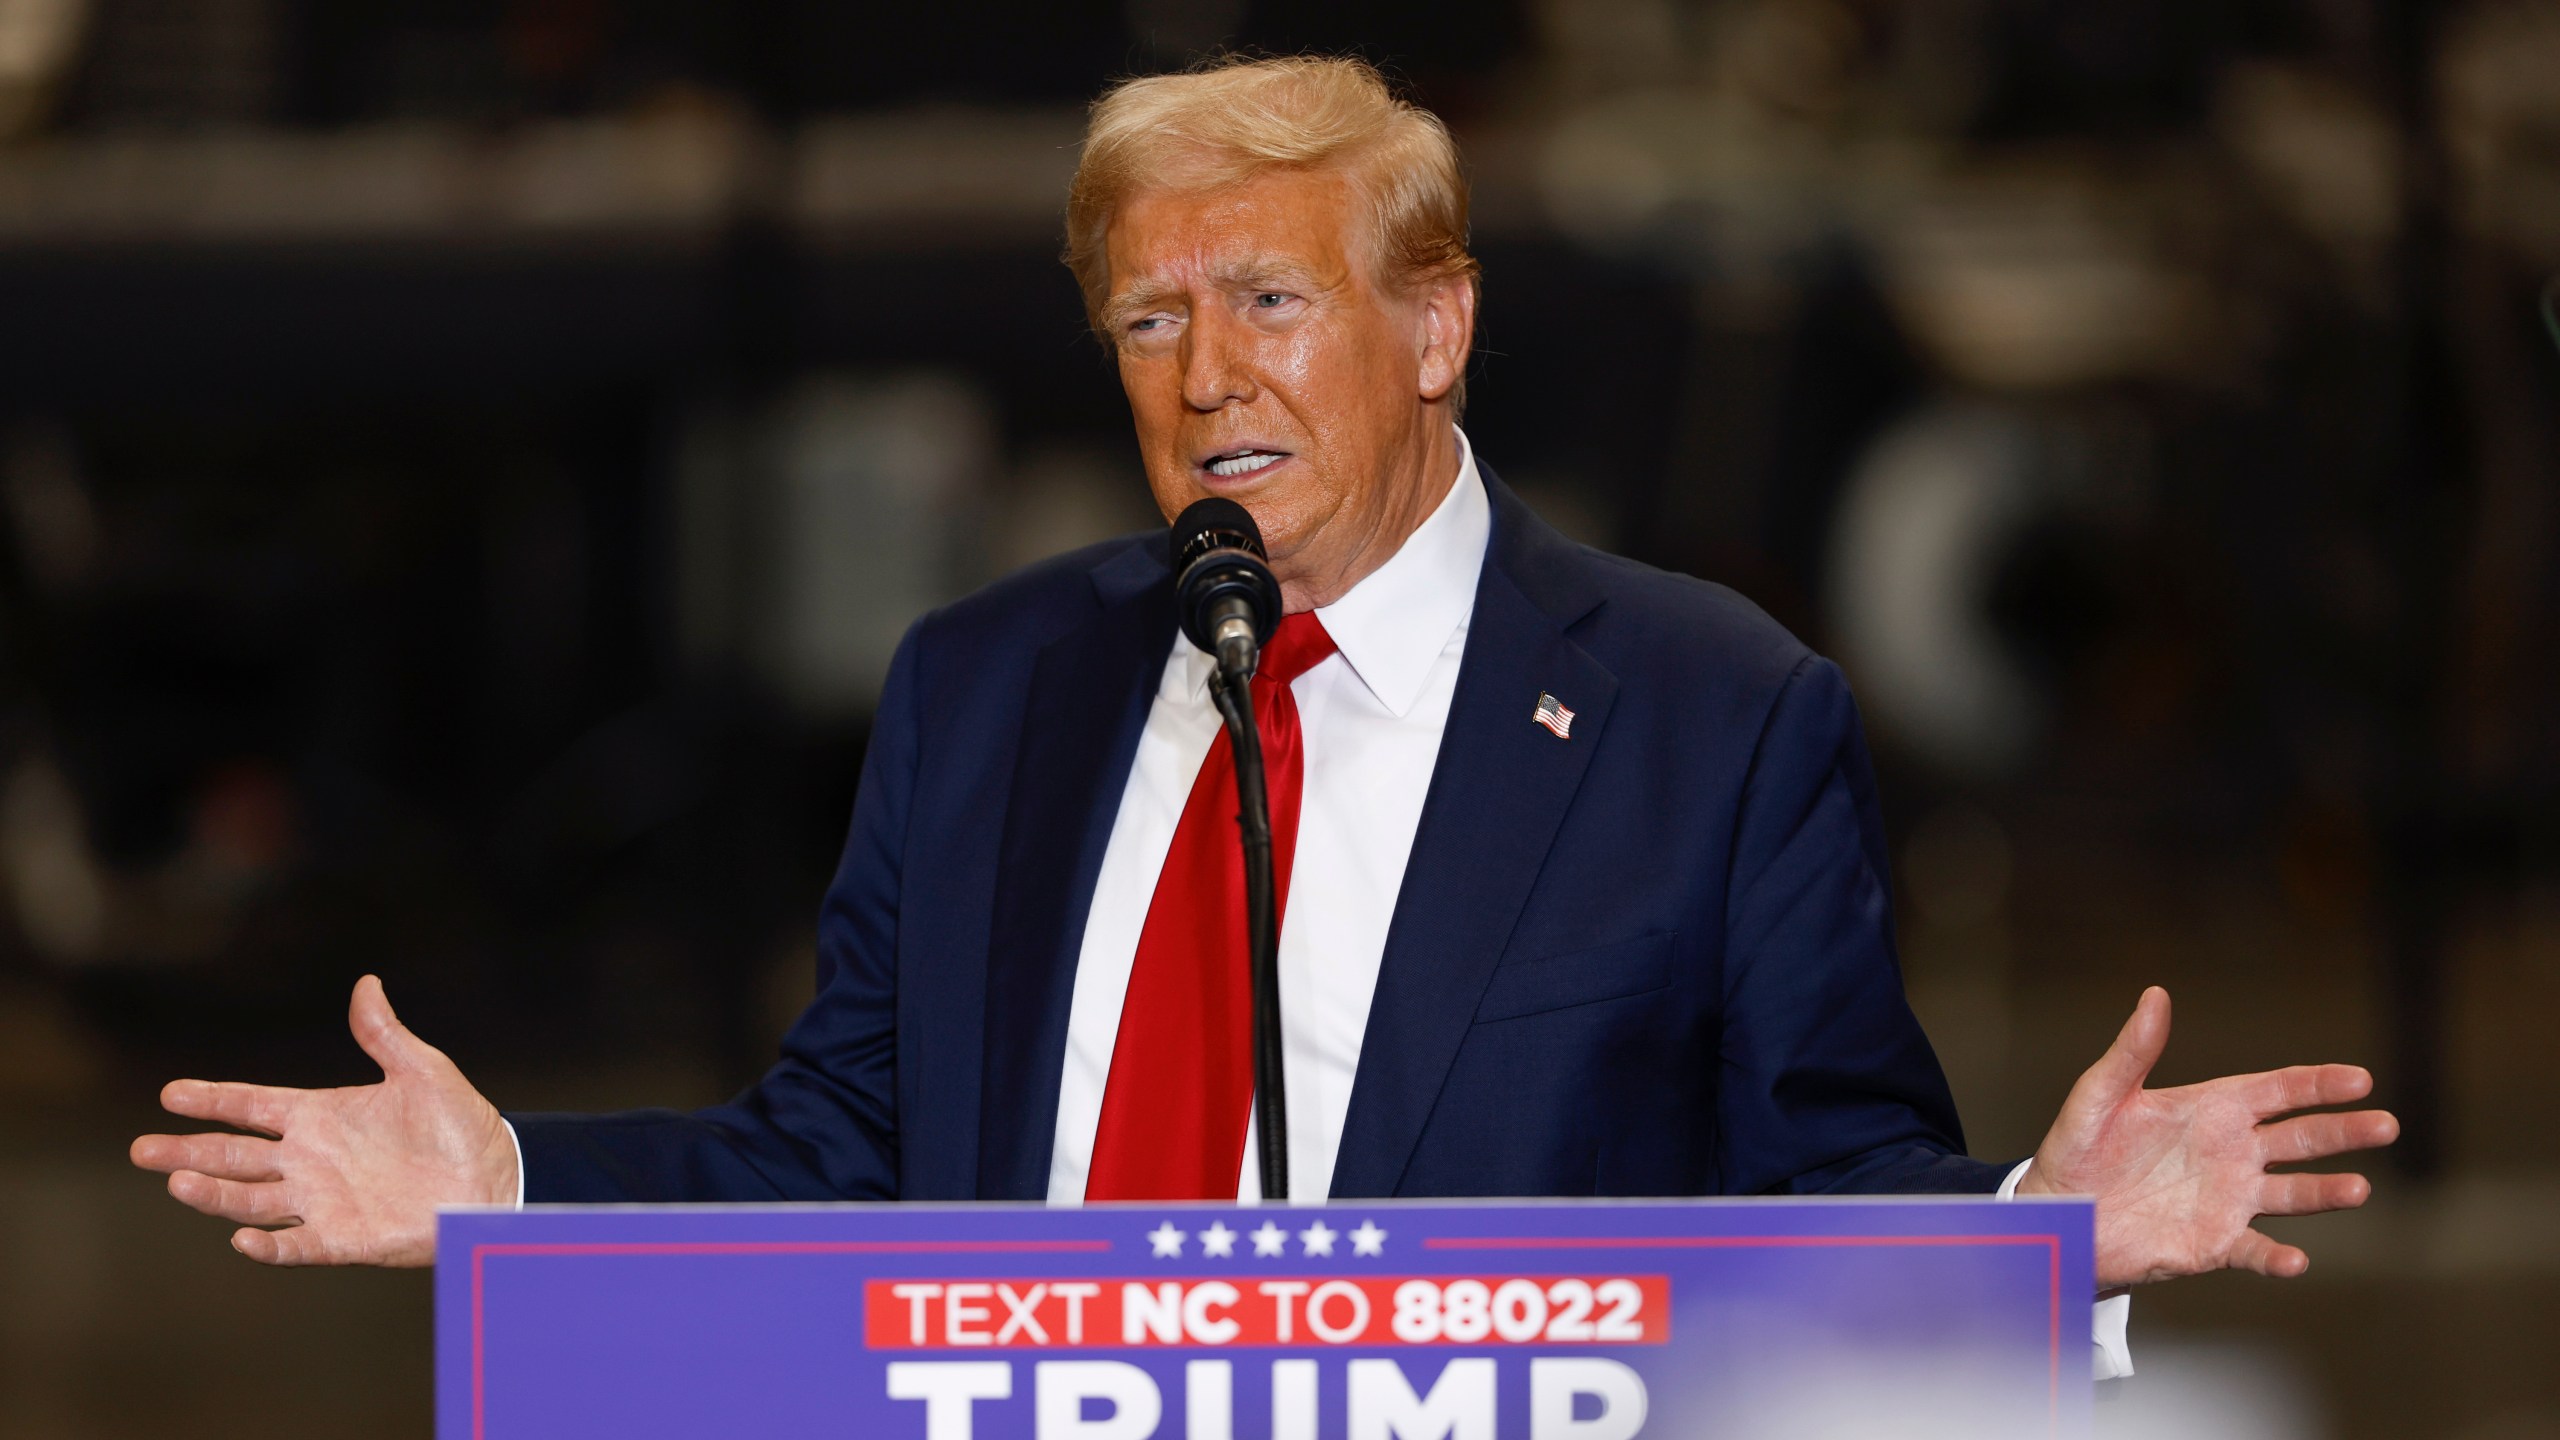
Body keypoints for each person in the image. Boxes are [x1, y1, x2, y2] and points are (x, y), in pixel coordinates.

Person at [131, 58, 2394, 1339]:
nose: (1202, 375)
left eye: (1266, 301)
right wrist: (513, 1187)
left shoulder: (1713, 717)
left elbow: (1813, 1196)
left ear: (1436, 326)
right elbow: (847, 1162)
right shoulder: (987, 687)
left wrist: (2038, 1230)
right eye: (1142, 322)